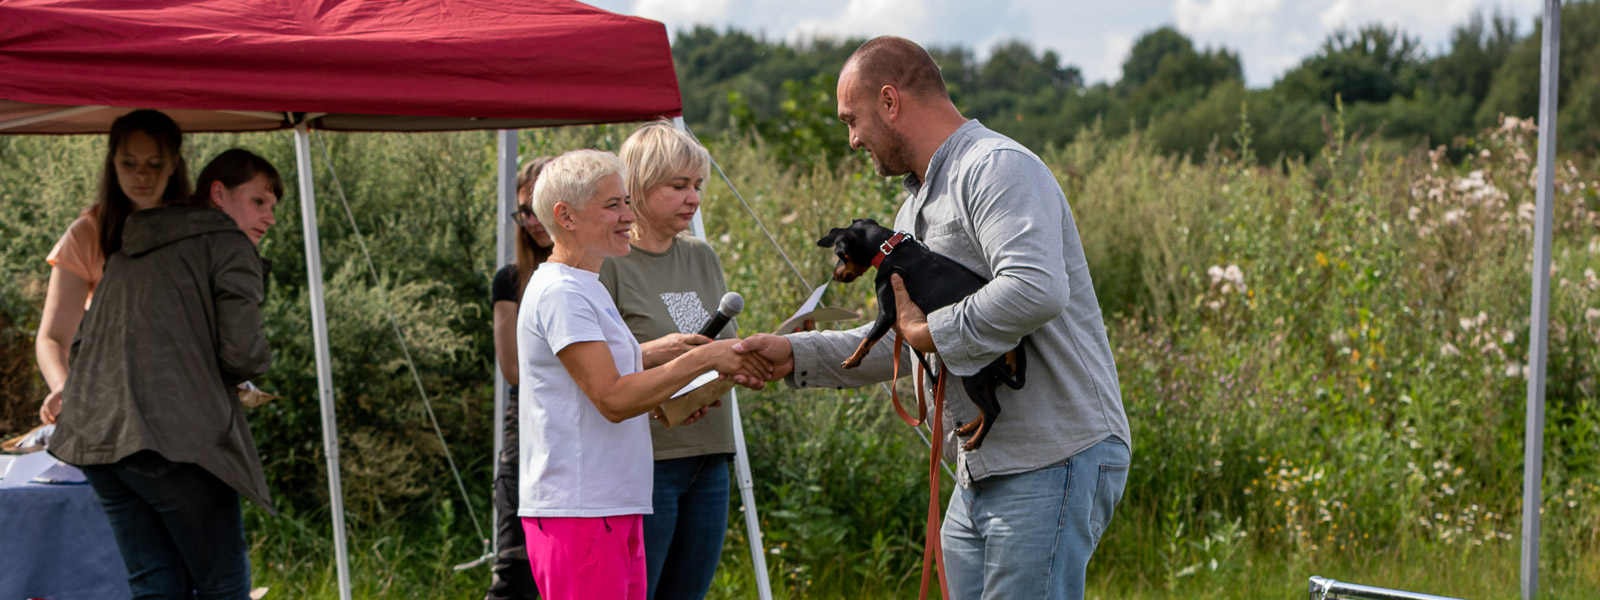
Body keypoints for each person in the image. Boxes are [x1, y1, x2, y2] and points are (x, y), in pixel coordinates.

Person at [733, 37, 1133, 600]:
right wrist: (796, 355)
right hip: (982, 470)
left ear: (890, 101)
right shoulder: (912, 207)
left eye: (853, 120)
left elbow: (1037, 289)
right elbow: (903, 335)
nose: (852, 140)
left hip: (1050, 458)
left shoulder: (996, 167)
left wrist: (930, 332)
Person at [515, 150, 768, 600]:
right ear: (565, 216)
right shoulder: (562, 293)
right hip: (583, 508)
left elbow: (591, 394)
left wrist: (663, 391)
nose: (628, 216)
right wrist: (704, 359)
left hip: (610, 502)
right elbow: (612, 398)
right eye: (613, 205)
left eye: (627, 202)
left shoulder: (583, 285)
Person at [47, 148, 284, 599]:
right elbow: (242, 356)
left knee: (155, 585)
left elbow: (81, 344)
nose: (269, 217)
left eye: (272, 206)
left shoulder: (128, 248)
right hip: (173, 443)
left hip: (98, 443)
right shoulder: (228, 243)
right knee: (224, 585)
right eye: (259, 201)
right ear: (218, 193)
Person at [599, 122, 730, 600]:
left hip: (711, 454)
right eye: (678, 186)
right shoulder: (608, 263)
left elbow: (718, 347)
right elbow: (597, 368)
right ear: (637, 184)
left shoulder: (702, 255)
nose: (693, 198)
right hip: (645, 460)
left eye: (697, 186)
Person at [37, 109, 189, 425]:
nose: (142, 175)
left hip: (188, 399)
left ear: (174, 164)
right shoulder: (87, 233)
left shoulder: (199, 229)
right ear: (113, 164)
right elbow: (52, 338)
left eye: (155, 163)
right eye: (129, 163)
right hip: (115, 404)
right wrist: (65, 387)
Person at [487, 155, 555, 600]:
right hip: (529, 428)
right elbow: (512, 369)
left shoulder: (610, 272)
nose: (530, 220)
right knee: (515, 568)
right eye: (522, 211)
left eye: (538, 207)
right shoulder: (511, 279)